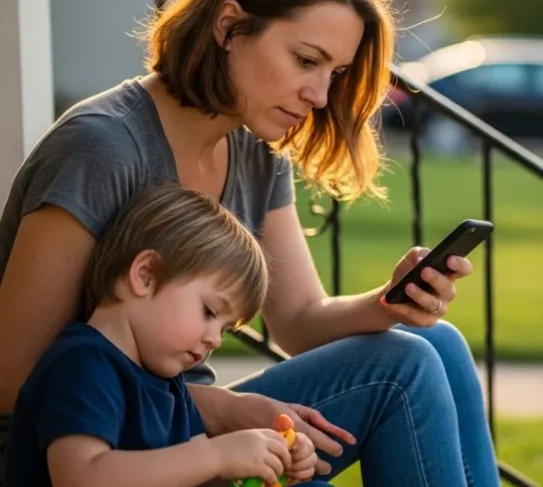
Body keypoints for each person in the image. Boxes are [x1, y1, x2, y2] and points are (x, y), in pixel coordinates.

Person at [0, 0, 498, 487]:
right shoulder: (103, 148)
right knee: (401, 369)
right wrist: (219, 413)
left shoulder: (254, 150)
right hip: (91, 450)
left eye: (334, 73)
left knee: (435, 340)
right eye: (305, 61)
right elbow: (16, 378)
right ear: (230, 25)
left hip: (180, 429)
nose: (319, 96)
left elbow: (299, 320)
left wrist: (391, 302)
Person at [5, 182, 332, 487]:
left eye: (224, 329)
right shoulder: (82, 366)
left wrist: (270, 457)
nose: (215, 340)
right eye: (209, 312)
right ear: (145, 275)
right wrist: (217, 456)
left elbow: (195, 473)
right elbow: (82, 476)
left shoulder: (166, 383)